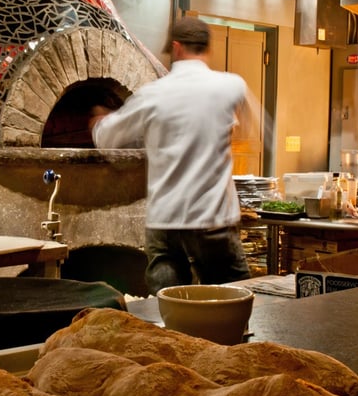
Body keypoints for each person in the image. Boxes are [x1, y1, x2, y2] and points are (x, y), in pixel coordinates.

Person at [89, 16, 251, 295]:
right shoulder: (232, 86)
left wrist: (98, 121)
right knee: (233, 297)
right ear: (207, 47)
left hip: (165, 221)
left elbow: (107, 138)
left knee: (167, 303)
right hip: (213, 217)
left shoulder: (153, 94)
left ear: (176, 47)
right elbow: (245, 129)